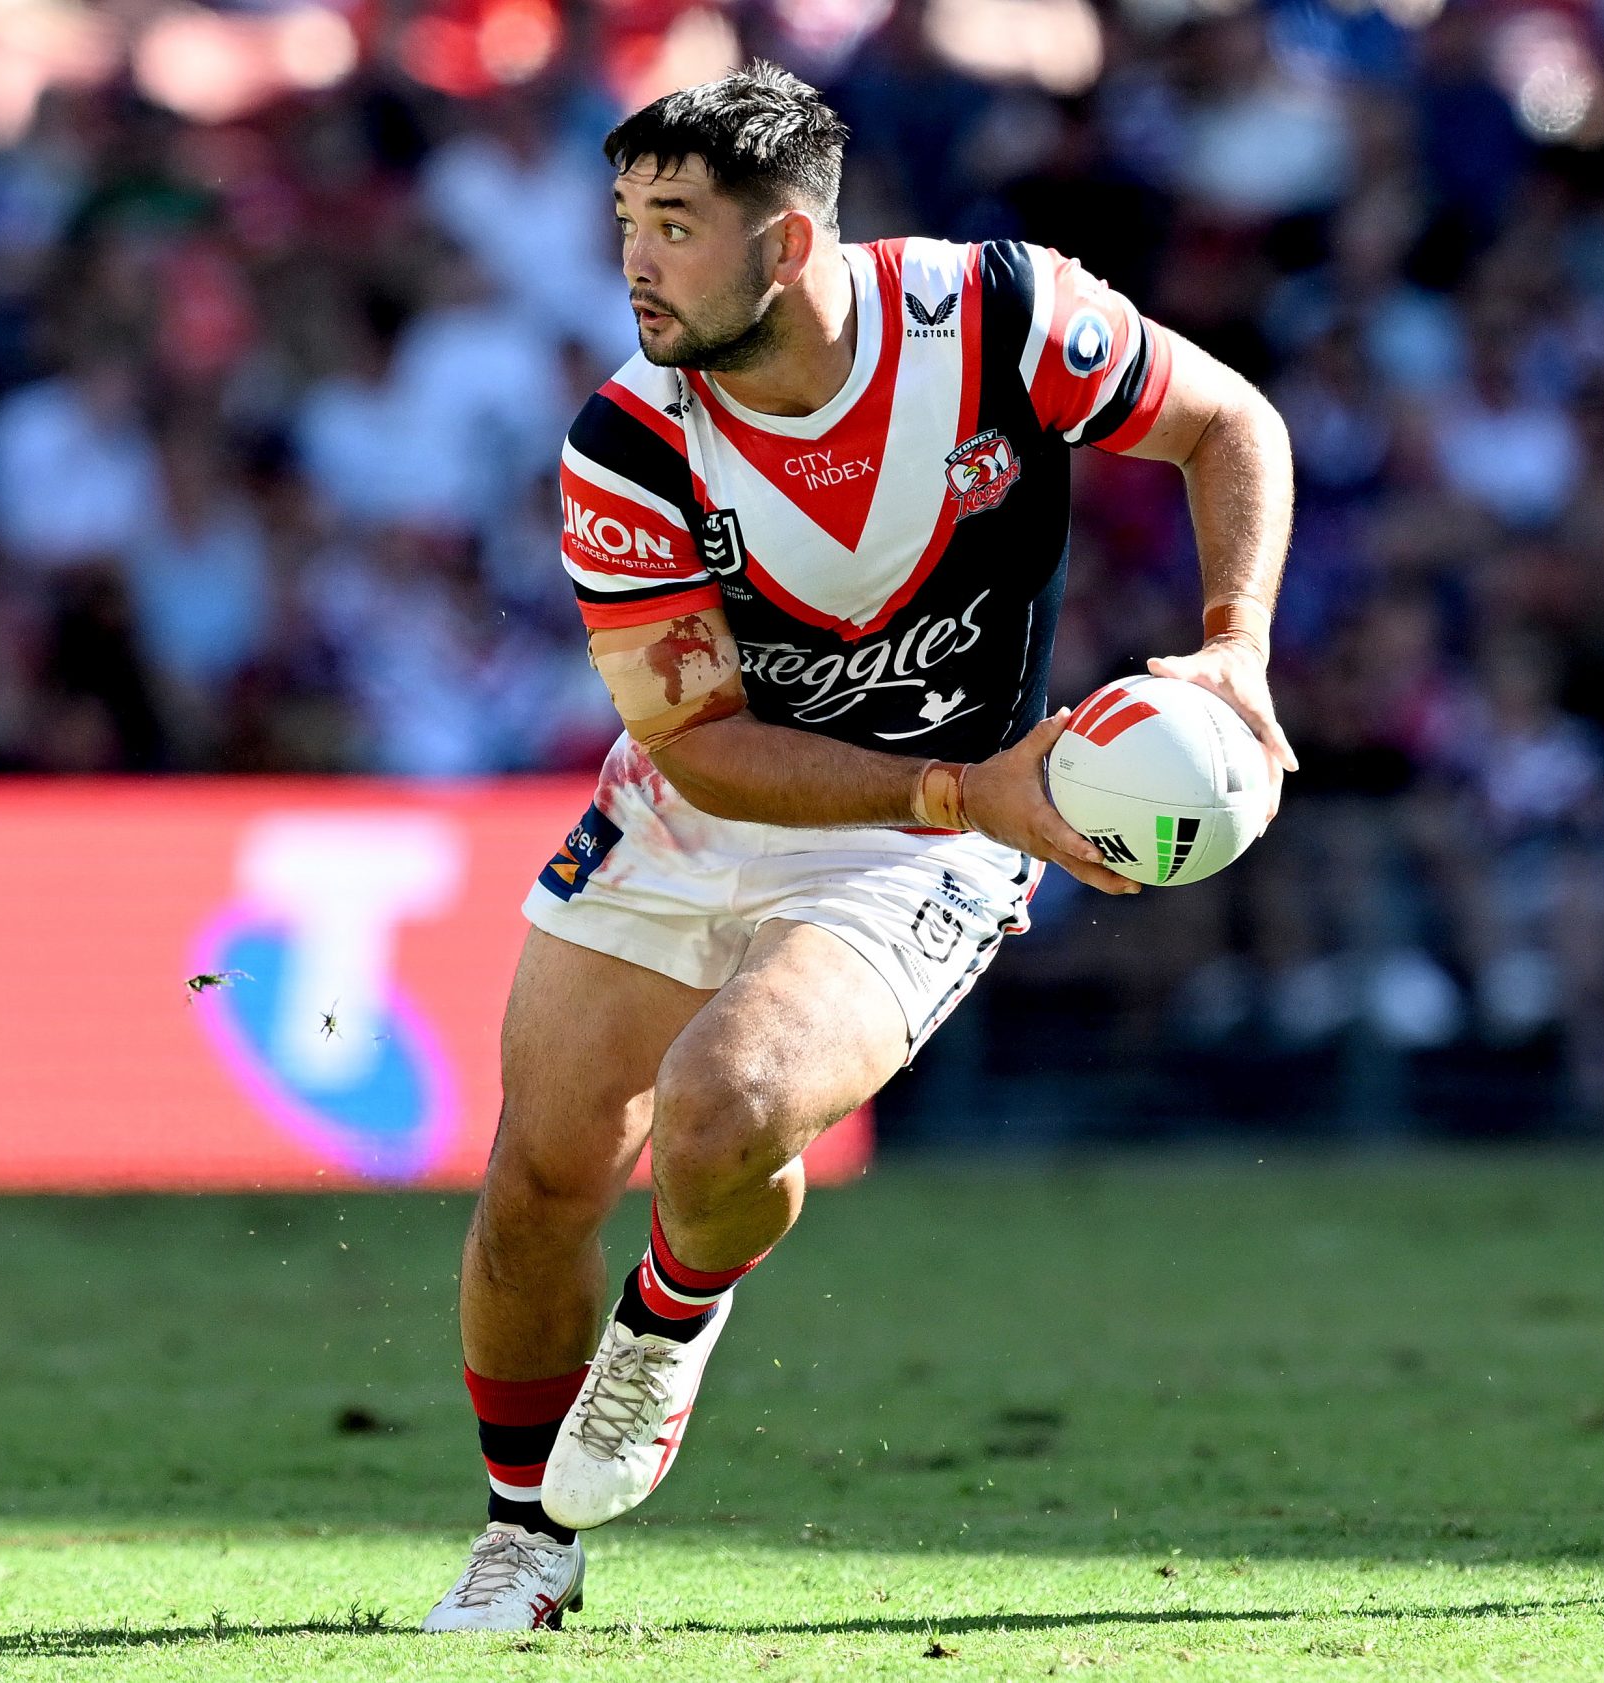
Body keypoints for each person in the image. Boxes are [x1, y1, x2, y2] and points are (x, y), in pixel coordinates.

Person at [422, 63, 1297, 1632]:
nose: (634, 260)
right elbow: (699, 742)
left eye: (675, 226)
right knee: (543, 1173)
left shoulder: (1002, 321)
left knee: (724, 1110)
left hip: (923, 845)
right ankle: (521, 1543)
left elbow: (1231, 425)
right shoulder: (629, 442)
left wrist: (1234, 650)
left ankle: (666, 1333)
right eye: (624, 219)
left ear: (788, 246)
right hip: (722, 804)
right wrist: (974, 795)